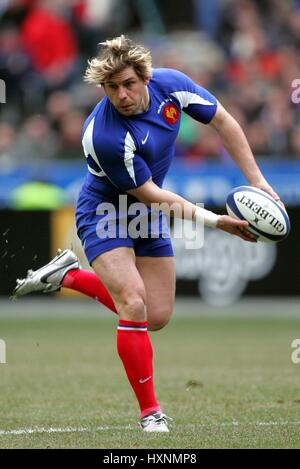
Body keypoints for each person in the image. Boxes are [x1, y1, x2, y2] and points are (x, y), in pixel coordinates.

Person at [13, 35, 280, 432]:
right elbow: (152, 194)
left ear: (146, 78)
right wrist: (215, 222)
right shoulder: (104, 135)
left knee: (156, 316)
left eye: (129, 84)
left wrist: (256, 180)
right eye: (111, 87)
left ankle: (67, 276)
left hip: (148, 212)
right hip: (106, 211)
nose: (121, 95)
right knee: (133, 303)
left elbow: (223, 120)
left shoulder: (173, 86)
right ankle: (150, 413)